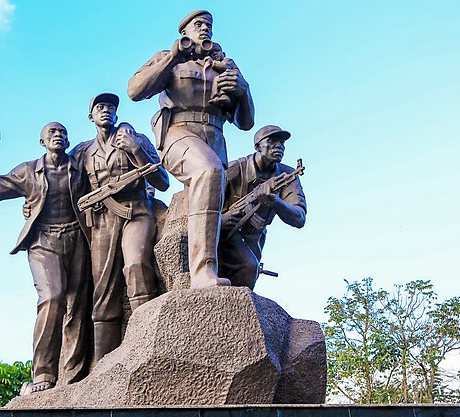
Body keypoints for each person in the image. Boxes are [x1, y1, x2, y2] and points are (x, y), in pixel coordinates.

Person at [128, 10, 255, 289]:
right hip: (178, 133)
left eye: (209, 25)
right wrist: (173, 56)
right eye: (198, 25)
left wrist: (243, 89)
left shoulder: (223, 63)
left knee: (214, 178)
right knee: (206, 171)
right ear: (184, 32)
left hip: (215, 138)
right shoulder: (169, 56)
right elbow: (135, 90)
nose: (206, 29)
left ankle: (222, 269)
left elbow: (246, 123)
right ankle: (202, 272)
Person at [0, 123, 92, 393]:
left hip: (77, 240)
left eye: (62, 132)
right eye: (52, 132)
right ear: (42, 141)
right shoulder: (28, 171)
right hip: (43, 242)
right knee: (53, 297)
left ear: (69, 139)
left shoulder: (80, 167)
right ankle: (43, 374)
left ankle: (72, 376)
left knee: (78, 307)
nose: (58, 135)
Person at [72, 93, 169, 362]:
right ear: (91, 116)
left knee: (136, 267)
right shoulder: (82, 152)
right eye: (100, 107)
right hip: (102, 220)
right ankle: (104, 367)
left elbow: (162, 181)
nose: (106, 111)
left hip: (136, 212)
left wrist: (135, 150)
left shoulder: (134, 139)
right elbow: (66, 185)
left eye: (111, 107)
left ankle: (146, 347)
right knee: (103, 290)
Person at [219, 125, 307, 290]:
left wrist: (275, 202)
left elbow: (299, 218)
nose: (279, 146)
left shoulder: (287, 176)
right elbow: (203, 204)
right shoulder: (233, 170)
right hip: (224, 234)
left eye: (282, 142)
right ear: (258, 146)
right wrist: (220, 221)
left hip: (254, 238)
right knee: (248, 267)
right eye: (272, 141)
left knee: (248, 277)